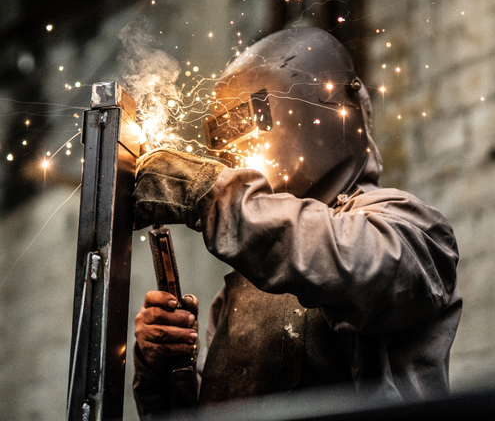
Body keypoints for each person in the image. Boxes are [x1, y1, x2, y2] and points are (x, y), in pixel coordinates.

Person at [132, 27, 462, 419]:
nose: (240, 147)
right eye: (228, 132)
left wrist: (207, 192)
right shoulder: (241, 288)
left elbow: (346, 260)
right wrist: (163, 369)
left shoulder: (414, 231)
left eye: (252, 120)